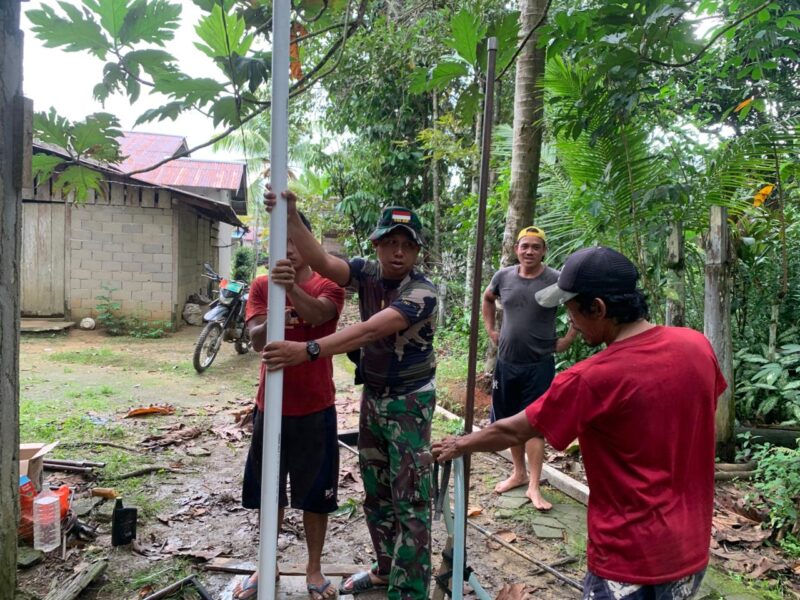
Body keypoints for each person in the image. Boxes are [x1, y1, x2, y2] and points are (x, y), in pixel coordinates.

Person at [433, 246, 727, 600]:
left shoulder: (592, 378)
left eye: (571, 309)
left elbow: (516, 429)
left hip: (629, 561)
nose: (568, 319)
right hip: (691, 551)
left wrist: (460, 444)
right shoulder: (697, 346)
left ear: (598, 308)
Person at [262, 192, 437, 600]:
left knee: (410, 497)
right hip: (375, 397)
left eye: (407, 245)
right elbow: (322, 262)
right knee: (376, 492)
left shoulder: (422, 292)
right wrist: (290, 217)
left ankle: (408, 592)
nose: (398, 253)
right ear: (376, 244)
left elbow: (372, 329)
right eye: (390, 243)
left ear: (416, 251)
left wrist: (307, 350)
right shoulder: (366, 272)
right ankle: (385, 569)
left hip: (410, 403)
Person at [236, 212, 345, 600]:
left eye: (295, 243)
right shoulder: (262, 285)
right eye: (280, 244)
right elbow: (254, 339)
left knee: (317, 494)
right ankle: (267, 564)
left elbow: (320, 316)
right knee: (269, 492)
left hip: (316, 407)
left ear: (308, 246)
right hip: (271, 406)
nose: (288, 251)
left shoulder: (330, 285)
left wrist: (292, 293)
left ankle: (314, 570)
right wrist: (276, 313)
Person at [482, 225, 576, 510]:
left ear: (543, 250)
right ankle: (518, 474)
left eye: (536, 247)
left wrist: (569, 338)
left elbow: (577, 305)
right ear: (516, 249)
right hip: (507, 363)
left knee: (535, 424)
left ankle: (534, 486)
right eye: (525, 246)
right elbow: (488, 298)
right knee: (512, 419)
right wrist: (490, 330)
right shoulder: (503, 277)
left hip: (539, 365)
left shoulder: (556, 279)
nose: (530, 251)